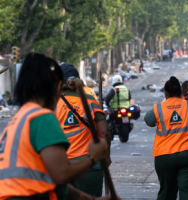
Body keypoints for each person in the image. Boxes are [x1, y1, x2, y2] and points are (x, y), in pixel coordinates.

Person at [0, 53, 112, 200]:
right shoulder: (43, 118)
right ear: (57, 87)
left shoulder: (18, 120)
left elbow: (58, 184)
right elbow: (61, 175)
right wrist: (93, 157)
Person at [144, 76, 188, 200]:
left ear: (166, 93)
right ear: (180, 92)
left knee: (167, 193)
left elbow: (148, 121)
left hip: (165, 157)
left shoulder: (159, 108)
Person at [55, 63, 112, 196]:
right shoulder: (91, 101)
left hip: (62, 166)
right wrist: (106, 156)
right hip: (89, 165)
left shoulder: (53, 105)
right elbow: (105, 133)